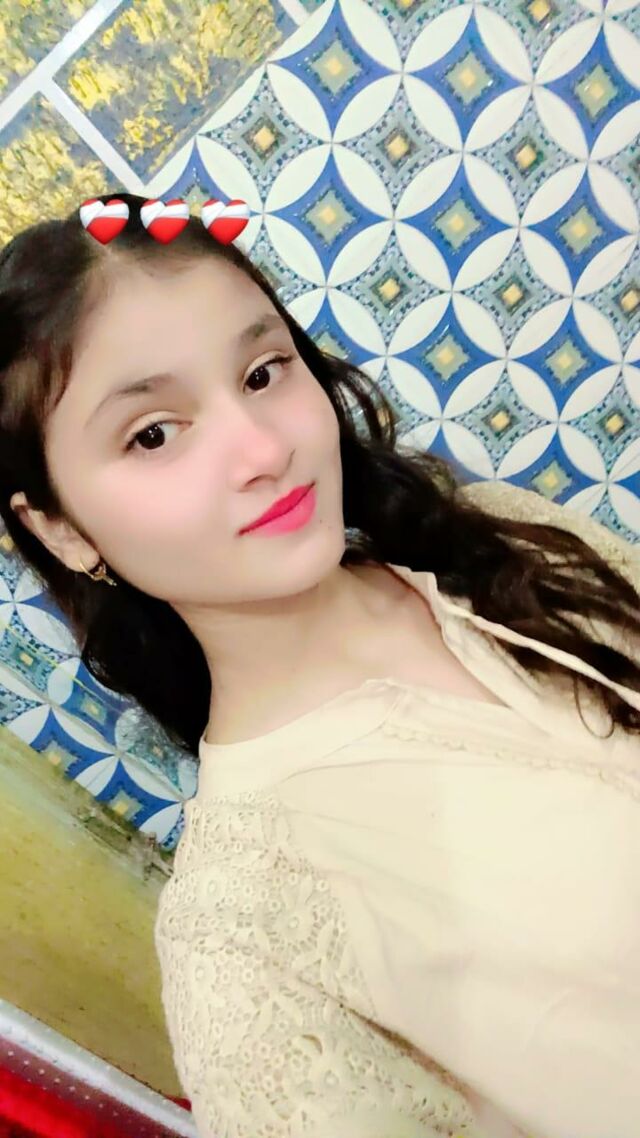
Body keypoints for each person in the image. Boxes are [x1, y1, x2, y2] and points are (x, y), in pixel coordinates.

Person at [0, 192, 638, 1138]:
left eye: (263, 372)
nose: (265, 448)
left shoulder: (507, 537)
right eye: (154, 433)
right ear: (61, 530)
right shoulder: (242, 941)